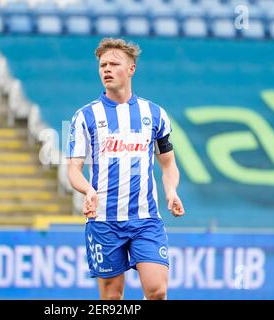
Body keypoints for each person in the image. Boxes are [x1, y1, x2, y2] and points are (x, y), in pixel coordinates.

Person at [67, 38, 185, 300]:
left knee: (157, 291)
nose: (106, 69)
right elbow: (73, 170)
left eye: (114, 64)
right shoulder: (82, 116)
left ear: (131, 69)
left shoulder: (155, 114)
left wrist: (172, 192)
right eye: (102, 65)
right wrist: (87, 190)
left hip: (146, 219)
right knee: (111, 297)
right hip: (103, 221)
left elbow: (168, 164)